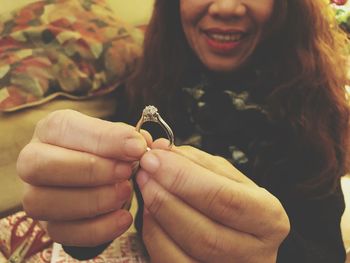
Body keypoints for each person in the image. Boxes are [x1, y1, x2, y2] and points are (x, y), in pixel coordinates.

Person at [16, 0, 350, 262]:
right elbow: (94, 235)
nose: (225, 7)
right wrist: (78, 214)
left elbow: (327, 251)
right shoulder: (145, 83)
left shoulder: (315, 105)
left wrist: (274, 255)